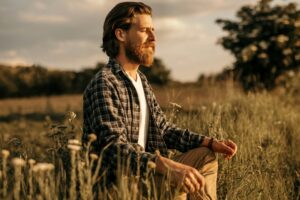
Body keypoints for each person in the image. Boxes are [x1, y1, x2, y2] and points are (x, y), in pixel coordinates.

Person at [83, 2, 237, 199]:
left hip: (145, 177)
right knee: (177, 179)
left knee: (204, 156)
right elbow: (113, 148)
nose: (153, 38)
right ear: (120, 34)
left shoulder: (141, 81)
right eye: (145, 31)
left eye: (153, 31)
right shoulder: (104, 83)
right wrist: (167, 166)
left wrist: (209, 142)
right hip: (119, 187)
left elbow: (164, 130)